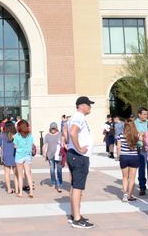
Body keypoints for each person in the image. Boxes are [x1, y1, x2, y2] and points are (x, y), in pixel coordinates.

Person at [66, 96, 95, 229]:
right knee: (78, 187)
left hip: (75, 155)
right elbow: (73, 133)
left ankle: (75, 215)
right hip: (78, 156)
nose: (90, 107)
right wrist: (78, 148)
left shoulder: (74, 117)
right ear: (82, 105)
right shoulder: (79, 117)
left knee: (74, 186)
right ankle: (77, 219)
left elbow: (68, 134)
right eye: (89, 104)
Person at [116, 119, 140, 202]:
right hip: (134, 157)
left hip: (124, 157)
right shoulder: (136, 135)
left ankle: (124, 195)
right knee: (132, 179)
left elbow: (118, 147)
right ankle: (130, 195)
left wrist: (118, 156)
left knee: (125, 177)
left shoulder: (120, 135)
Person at [14, 119, 35, 199]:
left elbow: (15, 146)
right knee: (28, 174)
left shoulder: (17, 136)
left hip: (19, 156)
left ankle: (20, 193)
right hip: (28, 156)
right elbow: (32, 145)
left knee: (20, 175)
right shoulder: (30, 135)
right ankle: (31, 192)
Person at [0, 120, 18, 194]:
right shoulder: (16, 135)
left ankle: (9, 189)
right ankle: (17, 189)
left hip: (6, 156)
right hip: (15, 155)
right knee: (16, 173)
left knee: (7, 173)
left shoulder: (3, 135)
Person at [43, 121, 63, 192]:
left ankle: (60, 184)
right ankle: (53, 182)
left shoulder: (60, 134)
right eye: (52, 129)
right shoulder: (47, 135)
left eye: (54, 128)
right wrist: (44, 154)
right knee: (52, 170)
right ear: (50, 129)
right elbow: (45, 145)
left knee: (59, 170)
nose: (53, 130)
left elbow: (63, 143)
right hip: (50, 155)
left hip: (58, 155)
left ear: (56, 128)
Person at [134, 107, 148, 197]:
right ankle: (142, 187)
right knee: (142, 169)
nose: (146, 116)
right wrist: (143, 134)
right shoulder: (135, 123)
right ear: (139, 114)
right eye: (144, 114)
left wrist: (143, 134)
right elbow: (136, 134)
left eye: (146, 114)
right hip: (140, 149)